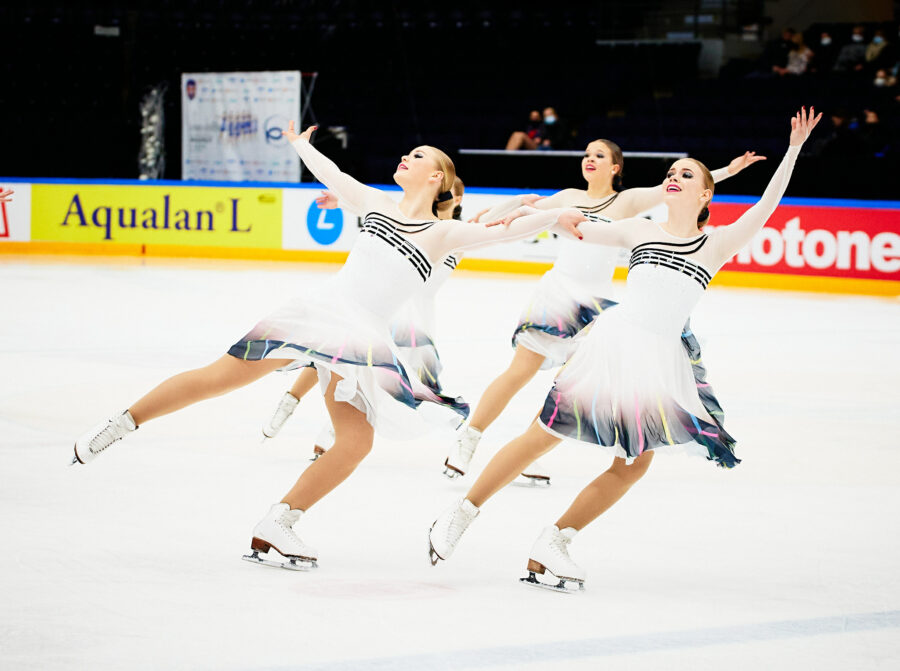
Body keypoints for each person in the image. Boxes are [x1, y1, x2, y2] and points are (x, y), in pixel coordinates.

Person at [72, 122, 584, 570]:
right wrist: (302, 147)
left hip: (361, 336)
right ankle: (119, 424)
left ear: (436, 178)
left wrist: (554, 217)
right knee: (220, 377)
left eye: (419, 155)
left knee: (356, 442)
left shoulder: (442, 233)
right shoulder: (377, 203)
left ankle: (280, 520)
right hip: (321, 311)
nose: (406, 156)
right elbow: (336, 179)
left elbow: (499, 234)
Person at [428, 107, 822, 592]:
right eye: (671, 172)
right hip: (613, 345)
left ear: (705, 193)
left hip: (659, 363)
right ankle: (462, 513)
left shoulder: (717, 244)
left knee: (634, 463)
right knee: (545, 435)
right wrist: (547, 214)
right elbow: (582, 226)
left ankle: (555, 541)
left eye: (687, 174)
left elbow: (767, 204)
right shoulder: (641, 230)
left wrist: (794, 150)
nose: (674, 177)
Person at [443, 141, 767, 484]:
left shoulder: (626, 202)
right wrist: (489, 220)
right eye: (585, 155)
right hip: (559, 295)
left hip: (599, 308)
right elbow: (527, 211)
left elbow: (680, 188)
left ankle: (532, 448)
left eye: (599, 155)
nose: (589, 160)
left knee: (568, 387)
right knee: (521, 371)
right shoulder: (568, 195)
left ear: (616, 167)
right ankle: (469, 438)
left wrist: (728, 171)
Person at [261, 177, 468, 461]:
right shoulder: (414, 223)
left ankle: (330, 433)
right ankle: (290, 400)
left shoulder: (458, 233)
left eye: (456, 196)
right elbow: (376, 214)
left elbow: (494, 222)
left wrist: (521, 203)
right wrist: (342, 204)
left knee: (368, 375)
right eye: (448, 194)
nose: (450, 200)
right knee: (330, 352)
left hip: (416, 323)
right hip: (387, 306)